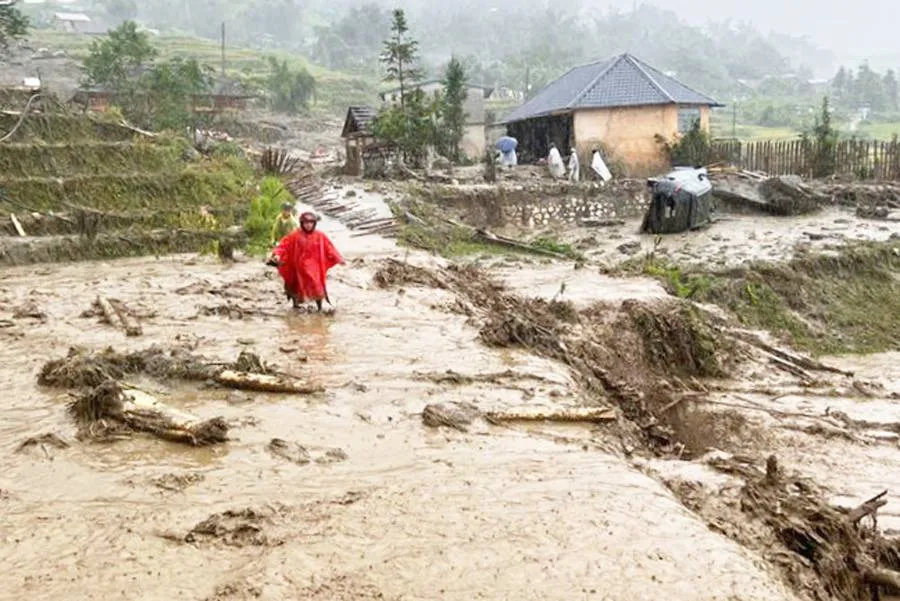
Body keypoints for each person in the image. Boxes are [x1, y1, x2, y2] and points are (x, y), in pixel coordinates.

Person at [270, 212, 344, 311]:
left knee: (317, 284)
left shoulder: (320, 235)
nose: (308, 225)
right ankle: (295, 305)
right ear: (302, 223)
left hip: (314, 266)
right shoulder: (295, 235)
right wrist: (277, 254)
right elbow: (284, 245)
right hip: (298, 265)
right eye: (306, 223)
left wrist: (338, 258)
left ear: (314, 223)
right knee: (295, 284)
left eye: (311, 223)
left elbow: (329, 247)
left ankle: (319, 307)